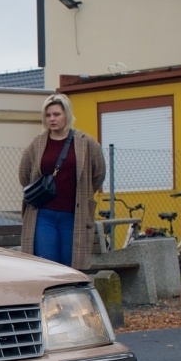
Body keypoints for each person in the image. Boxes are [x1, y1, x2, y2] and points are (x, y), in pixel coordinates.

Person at [18, 92, 107, 269]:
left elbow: (99, 173)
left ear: (66, 114)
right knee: (47, 265)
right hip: (43, 214)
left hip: (74, 215)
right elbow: (24, 174)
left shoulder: (86, 143)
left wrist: (84, 193)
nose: (52, 119)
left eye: (57, 114)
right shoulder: (37, 144)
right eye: (48, 115)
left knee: (70, 266)